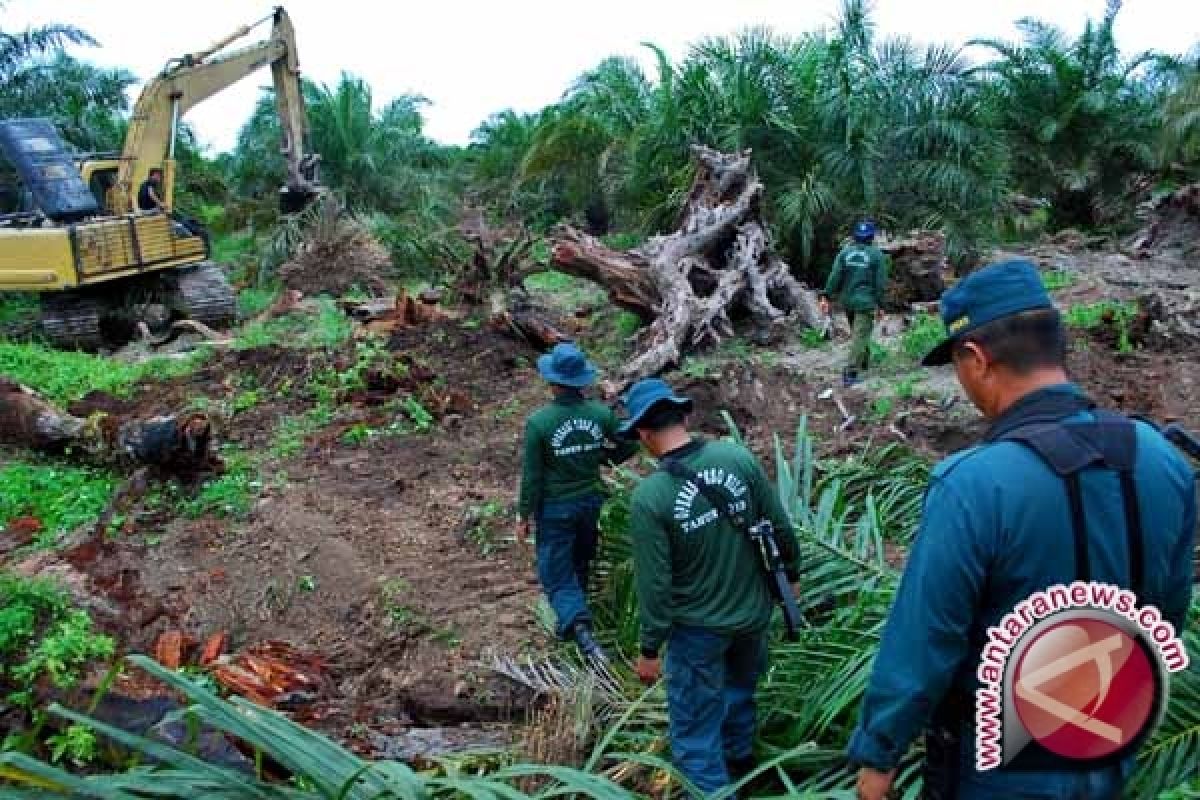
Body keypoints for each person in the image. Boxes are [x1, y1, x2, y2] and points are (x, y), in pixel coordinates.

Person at [848, 260, 1196, 800]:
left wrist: (878, 753)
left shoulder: (972, 485)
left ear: (976, 358)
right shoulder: (1162, 461)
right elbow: (1167, 612)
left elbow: (926, 639)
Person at [618, 378, 800, 796]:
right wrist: (791, 575)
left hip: (698, 631)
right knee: (739, 698)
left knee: (696, 736)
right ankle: (742, 774)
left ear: (644, 435)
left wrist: (649, 650)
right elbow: (778, 524)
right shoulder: (736, 458)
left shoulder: (652, 496)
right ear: (684, 416)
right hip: (752, 617)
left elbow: (655, 584)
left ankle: (717, 789)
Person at [517, 342, 636, 661]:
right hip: (590, 502)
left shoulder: (539, 423)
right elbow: (630, 441)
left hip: (556, 507)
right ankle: (569, 626)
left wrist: (524, 513)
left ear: (553, 382)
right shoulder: (600, 413)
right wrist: (604, 456)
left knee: (556, 573)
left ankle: (584, 637)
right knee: (580, 561)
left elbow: (532, 475)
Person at [819, 219, 888, 387]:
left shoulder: (844, 253)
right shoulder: (876, 255)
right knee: (860, 336)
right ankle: (850, 372)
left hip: (848, 301)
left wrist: (826, 295)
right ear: (871, 237)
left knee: (859, 334)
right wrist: (881, 305)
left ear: (855, 236)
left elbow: (835, 276)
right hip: (865, 302)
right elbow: (880, 283)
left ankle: (863, 361)